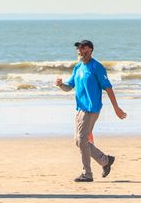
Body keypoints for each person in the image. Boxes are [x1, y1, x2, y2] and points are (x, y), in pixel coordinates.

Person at [54, 40, 127, 182]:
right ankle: (105, 161)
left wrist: (116, 108)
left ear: (91, 50)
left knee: (81, 140)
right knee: (79, 141)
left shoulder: (97, 67)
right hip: (80, 109)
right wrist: (61, 85)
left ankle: (87, 174)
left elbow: (108, 88)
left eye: (83, 48)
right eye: (78, 49)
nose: (80, 51)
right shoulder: (78, 67)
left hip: (91, 109)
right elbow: (69, 86)